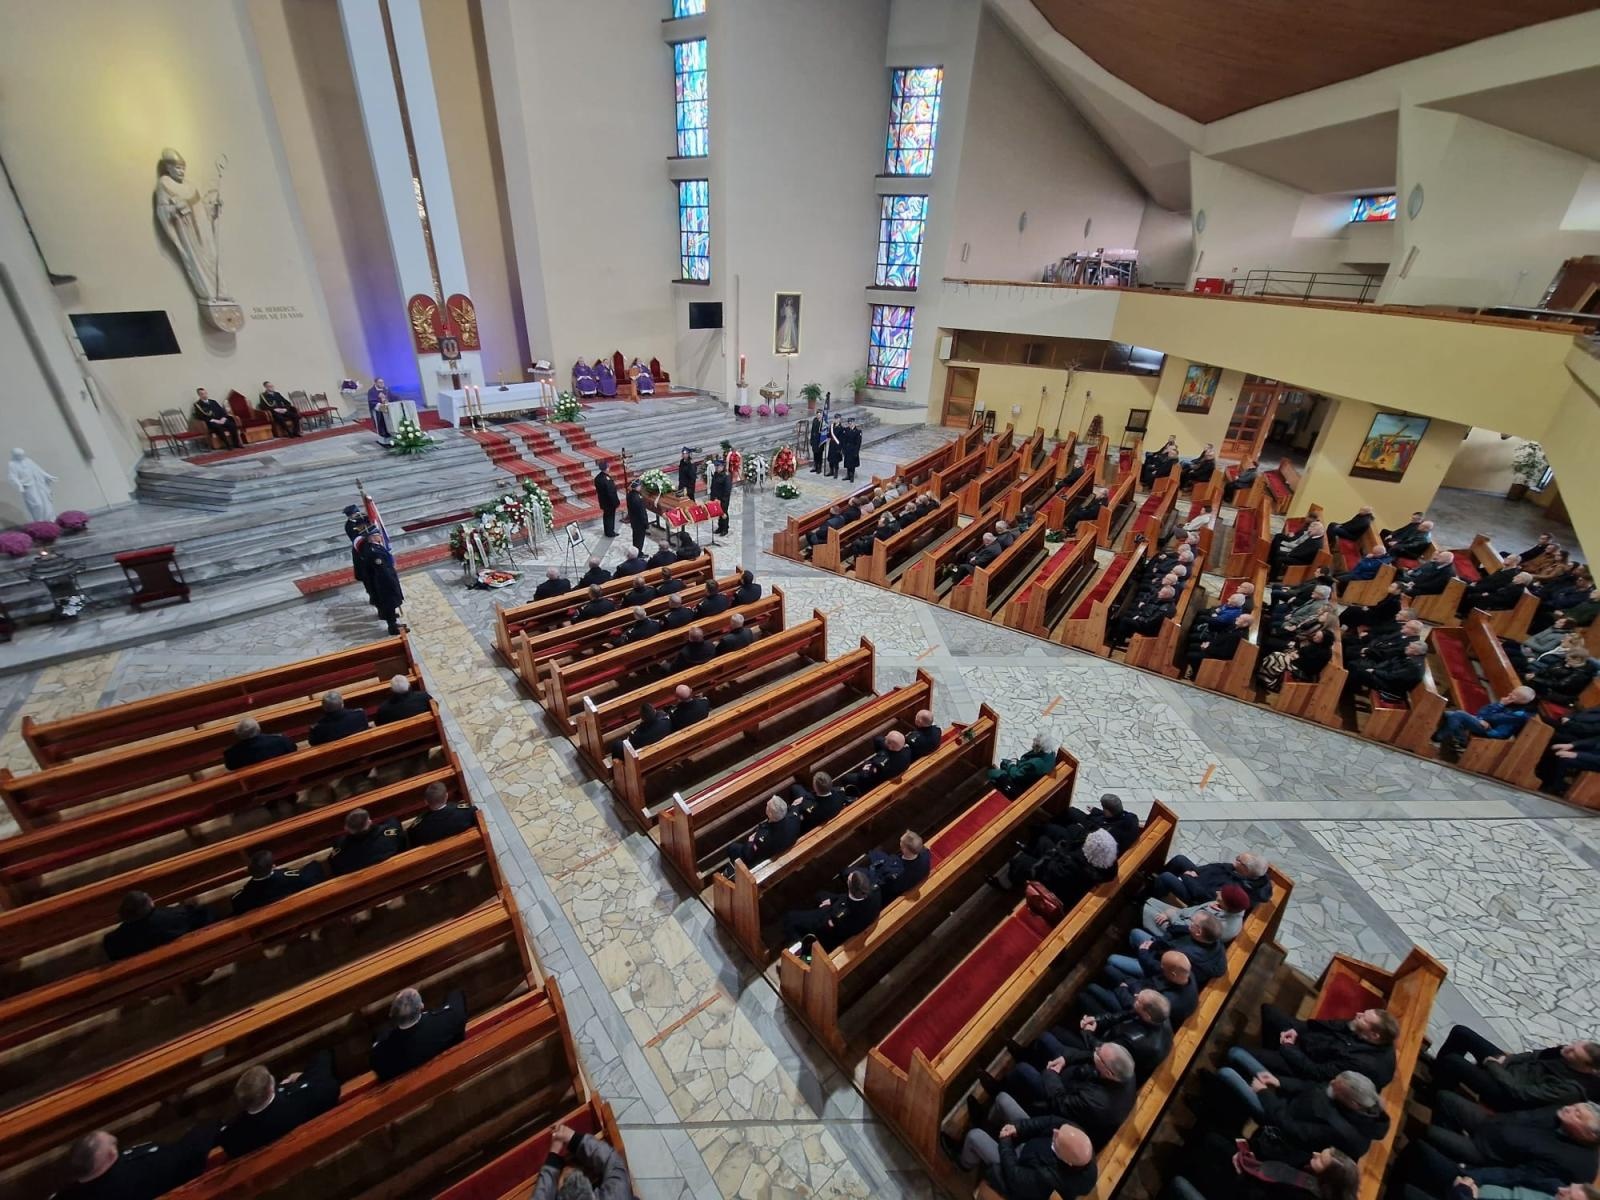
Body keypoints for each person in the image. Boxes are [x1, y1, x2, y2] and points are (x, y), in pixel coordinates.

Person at [1403, 1102, 1600, 1197]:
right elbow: (1513, 1176)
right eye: (1569, 1187)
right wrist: (1474, 1177)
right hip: (1473, 1181)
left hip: (1465, 1193)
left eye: (1568, 1195)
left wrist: (1465, 1192)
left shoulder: (1569, 1159)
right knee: (1419, 1151)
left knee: (1408, 1191)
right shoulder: (1554, 1187)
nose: (1562, 1188)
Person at [982, 1041, 1139, 1150]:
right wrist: (1065, 1059)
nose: (1096, 1051)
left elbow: (1059, 1101)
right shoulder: (1126, 1072)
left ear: (1108, 1072)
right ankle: (1026, 1056)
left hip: (1067, 1110)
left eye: (1099, 1054)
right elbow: (1093, 1055)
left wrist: (1050, 1073)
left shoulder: (1097, 1103)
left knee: (1024, 1071)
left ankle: (1000, 1090)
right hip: (1081, 1086)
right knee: (1047, 1042)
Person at [1432, 1028, 1600, 1111]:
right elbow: (1532, 1056)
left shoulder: (1569, 1090)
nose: (1567, 1048)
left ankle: (1435, 1094)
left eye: (1573, 1052)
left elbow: (1521, 1093)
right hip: (1510, 1069)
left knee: (1453, 1061)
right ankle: (1437, 1074)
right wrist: (1508, 1059)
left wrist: (1494, 1066)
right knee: (1461, 1032)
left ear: (1587, 1068)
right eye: (1573, 1044)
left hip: (1506, 1095)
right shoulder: (1563, 1052)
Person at [1243, 1005, 1401, 1088]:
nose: (1358, 1014)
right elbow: (1330, 1026)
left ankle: (1264, 1065)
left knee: (1243, 1052)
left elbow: (1316, 1073)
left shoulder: (1361, 1063)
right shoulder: (1364, 1030)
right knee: (1269, 1011)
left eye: (1363, 1018)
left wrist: (1288, 1048)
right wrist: (1297, 1030)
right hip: (1314, 1046)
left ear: (1375, 1035)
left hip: (1306, 1069)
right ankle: (1271, 1052)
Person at [219, 1053, 341, 1159]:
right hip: (308, 1133)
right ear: (271, 1088)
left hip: (271, 1155)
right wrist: (299, 1079)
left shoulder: (232, 1136)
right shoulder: (297, 1100)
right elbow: (331, 1088)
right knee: (323, 1057)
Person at [54, 1123, 220, 1200]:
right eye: (114, 1144)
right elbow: (184, 1155)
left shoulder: (66, 1195)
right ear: (112, 1155)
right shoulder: (141, 1170)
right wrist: (207, 1129)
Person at [951, 1117, 1097, 1200]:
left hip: (1018, 1165)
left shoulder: (1047, 1179)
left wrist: (1005, 1139)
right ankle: (987, 1123)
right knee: (1004, 1099)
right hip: (1029, 1150)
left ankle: (964, 1162)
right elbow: (1051, 1121)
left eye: (1057, 1139)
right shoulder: (1079, 1144)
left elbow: (1013, 1173)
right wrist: (1019, 1128)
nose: (1055, 1131)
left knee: (974, 1136)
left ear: (1066, 1161)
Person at [1171, 1144, 1360, 1200]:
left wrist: (1241, 1175)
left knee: (1181, 1181)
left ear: (1327, 1179)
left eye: (1320, 1159)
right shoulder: (1317, 1178)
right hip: (1256, 1181)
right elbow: (1284, 1164)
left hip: (1245, 1192)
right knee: (1215, 1142)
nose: (1315, 1153)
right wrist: (1254, 1160)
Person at [1104, 910, 1228, 988]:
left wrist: (1144, 953)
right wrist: (1157, 942)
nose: (1189, 923)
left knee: (1112, 959)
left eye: (1192, 922)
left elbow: (1160, 970)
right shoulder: (1213, 940)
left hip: (1161, 973)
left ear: (1198, 932)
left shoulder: (1185, 956)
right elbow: (1174, 931)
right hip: (1160, 953)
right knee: (1135, 933)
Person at [1079, 948, 1197, 1027]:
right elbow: (1152, 976)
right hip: (1142, 991)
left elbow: (1133, 1009)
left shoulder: (1165, 1002)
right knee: (1109, 969)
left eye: (1163, 966)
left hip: (1135, 1009)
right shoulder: (1185, 974)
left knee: (1092, 988)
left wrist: (1123, 989)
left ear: (1173, 974)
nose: (1160, 967)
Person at [371, 987, 467, 1081]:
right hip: (452, 1073)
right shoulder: (445, 1020)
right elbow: (458, 1009)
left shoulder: (380, 1054)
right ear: (421, 1006)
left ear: (392, 1015)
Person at [781, 867, 883, 954]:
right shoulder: (875, 892)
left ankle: (802, 948)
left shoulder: (841, 914)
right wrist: (832, 900)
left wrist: (826, 906)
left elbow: (825, 922)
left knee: (789, 918)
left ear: (849, 885)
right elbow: (845, 898)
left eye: (849, 878)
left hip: (831, 929)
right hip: (854, 913)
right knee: (820, 894)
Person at [530, 1118, 636, 1200]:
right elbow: (612, 1161)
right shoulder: (616, 1195)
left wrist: (553, 1154)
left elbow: (540, 1196)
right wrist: (573, 1138)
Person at [104, 890, 213, 961]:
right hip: (186, 959)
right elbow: (202, 915)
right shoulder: (172, 917)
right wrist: (191, 906)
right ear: (150, 904)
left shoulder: (113, 941)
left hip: (147, 977)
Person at [1149, 849, 1273, 908]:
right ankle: (1153, 879)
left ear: (1245, 870)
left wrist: (1188, 877)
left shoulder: (1238, 890)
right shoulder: (1240, 871)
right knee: (1180, 860)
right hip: (1200, 881)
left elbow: (1205, 896)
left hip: (1197, 898)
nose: (1235, 860)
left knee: (1166, 878)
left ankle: (1151, 895)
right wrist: (1197, 871)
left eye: (1238, 860)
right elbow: (1216, 867)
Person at [1433, 688, 1537, 752]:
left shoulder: (1521, 713)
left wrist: (1500, 704)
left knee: (1459, 715)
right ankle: (1461, 741)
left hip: (1494, 732)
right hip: (1485, 724)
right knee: (1449, 714)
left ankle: (1437, 739)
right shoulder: (1511, 702)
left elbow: (1494, 718)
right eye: (1512, 692)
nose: (1510, 695)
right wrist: (1481, 718)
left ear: (1523, 700)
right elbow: (1482, 711)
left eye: (1514, 695)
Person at [1145, 883, 1252, 945]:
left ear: (1227, 904)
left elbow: (1190, 930)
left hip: (1183, 937)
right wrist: (1176, 912)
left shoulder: (1222, 926)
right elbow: (1190, 911)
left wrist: (1171, 915)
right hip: (1185, 919)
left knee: (1146, 910)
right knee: (1151, 901)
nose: (1217, 892)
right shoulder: (1230, 908)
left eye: (1221, 895)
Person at [231, 848, 324, 916]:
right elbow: (307, 877)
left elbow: (236, 905)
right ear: (273, 866)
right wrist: (314, 864)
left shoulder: (245, 894)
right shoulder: (287, 877)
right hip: (296, 912)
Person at [329, 807, 405, 875]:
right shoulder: (390, 834)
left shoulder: (340, 854)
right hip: (396, 873)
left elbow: (335, 869)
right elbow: (403, 845)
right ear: (369, 822)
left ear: (346, 828)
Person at [837, 730, 913, 795]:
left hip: (879, 780)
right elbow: (880, 740)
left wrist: (867, 764)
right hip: (897, 767)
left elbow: (863, 776)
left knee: (847, 778)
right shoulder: (907, 750)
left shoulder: (879, 762)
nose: (885, 737)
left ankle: (853, 794)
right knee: (878, 740)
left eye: (886, 738)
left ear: (890, 747)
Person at [357, 533, 405, 635]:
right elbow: (382, 570)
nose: (380, 536)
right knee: (389, 603)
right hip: (384, 583)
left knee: (390, 604)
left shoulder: (374, 547)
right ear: (372, 537)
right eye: (378, 534)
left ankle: (393, 622)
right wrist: (392, 583)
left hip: (383, 581)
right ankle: (393, 627)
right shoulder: (374, 552)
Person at [867, 830, 931, 902]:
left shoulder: (896, 871)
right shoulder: (926, 854)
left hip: (889, 892)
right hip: (913, 879)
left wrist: (873, 869)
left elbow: (886, 885)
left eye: (901, 843)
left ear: (905, 849)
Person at [407, 780, 477, 845]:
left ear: (426, 802)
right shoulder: (464, 811)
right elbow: (475, 812)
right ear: (446, 796)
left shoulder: (418, 827)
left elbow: (411, 838)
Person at [988, 736, 1056, 799]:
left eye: (1036, 743)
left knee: (992, 773)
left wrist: (1010, 765)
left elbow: (1016, 775)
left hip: (1020, 786)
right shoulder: (1051, 753)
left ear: (1039, 748)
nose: (1033, 742)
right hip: (1031, 778)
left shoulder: (1034, 764)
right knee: (1004, 764)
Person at [222, 716, 296, 771]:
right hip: (284, 777)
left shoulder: (231, 754)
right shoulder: (280, 740)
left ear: (238, 735)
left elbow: (230, 767)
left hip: (255, 786)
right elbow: (293, 749)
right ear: (258, 728)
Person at [593, 461, 620, 538]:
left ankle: (607, 530)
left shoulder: (597, 478)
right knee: (610, 517)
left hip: (603, 501)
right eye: (608, 467)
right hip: (609, 502)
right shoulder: (606, 480)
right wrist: (616, 502)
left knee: (606, 516)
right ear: (606, 468)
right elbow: (611, 492)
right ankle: (610, 532)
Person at [625, 480, 649, 553]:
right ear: (636, 487)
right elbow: (641, 512)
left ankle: (636, 551)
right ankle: (639, 553)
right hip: (639, 522)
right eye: (639, 486)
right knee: (639, 539)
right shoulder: (637, 498)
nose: (641, 487)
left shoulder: (630, 495)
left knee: (636, 537)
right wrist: (645, 523)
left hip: (633, 520)